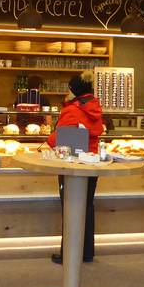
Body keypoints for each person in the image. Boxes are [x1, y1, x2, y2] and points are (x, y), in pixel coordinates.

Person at [46, 71, 104, 264]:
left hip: (72, 164)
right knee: (86, 206)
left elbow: (58, 139)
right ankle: (86, 252)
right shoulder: (94, 107)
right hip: (91, 161)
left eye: (69, 89)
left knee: (71, 208)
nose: (67, 92)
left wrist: (48, 139)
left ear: (76, 91)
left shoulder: (72, 110)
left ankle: (69, 254)